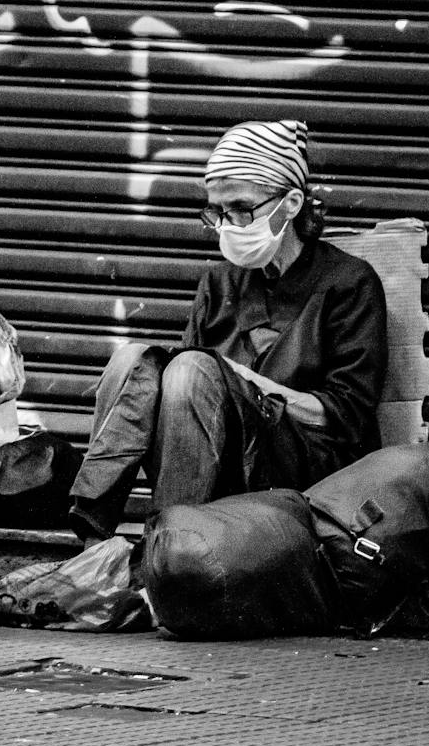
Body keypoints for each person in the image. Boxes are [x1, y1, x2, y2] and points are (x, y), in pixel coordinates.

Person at [64, 118, 388, 542]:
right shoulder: (220, 281)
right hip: (213, 457)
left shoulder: (349, 282)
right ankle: (93, 534)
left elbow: (345, 416)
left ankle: (171, 546)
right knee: (133, 361)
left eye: (240, 208)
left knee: (195, 369)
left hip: (298, 469)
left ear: (290, 204)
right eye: (216, 211)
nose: (226, 224)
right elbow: (182, 403)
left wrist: (236, 381)